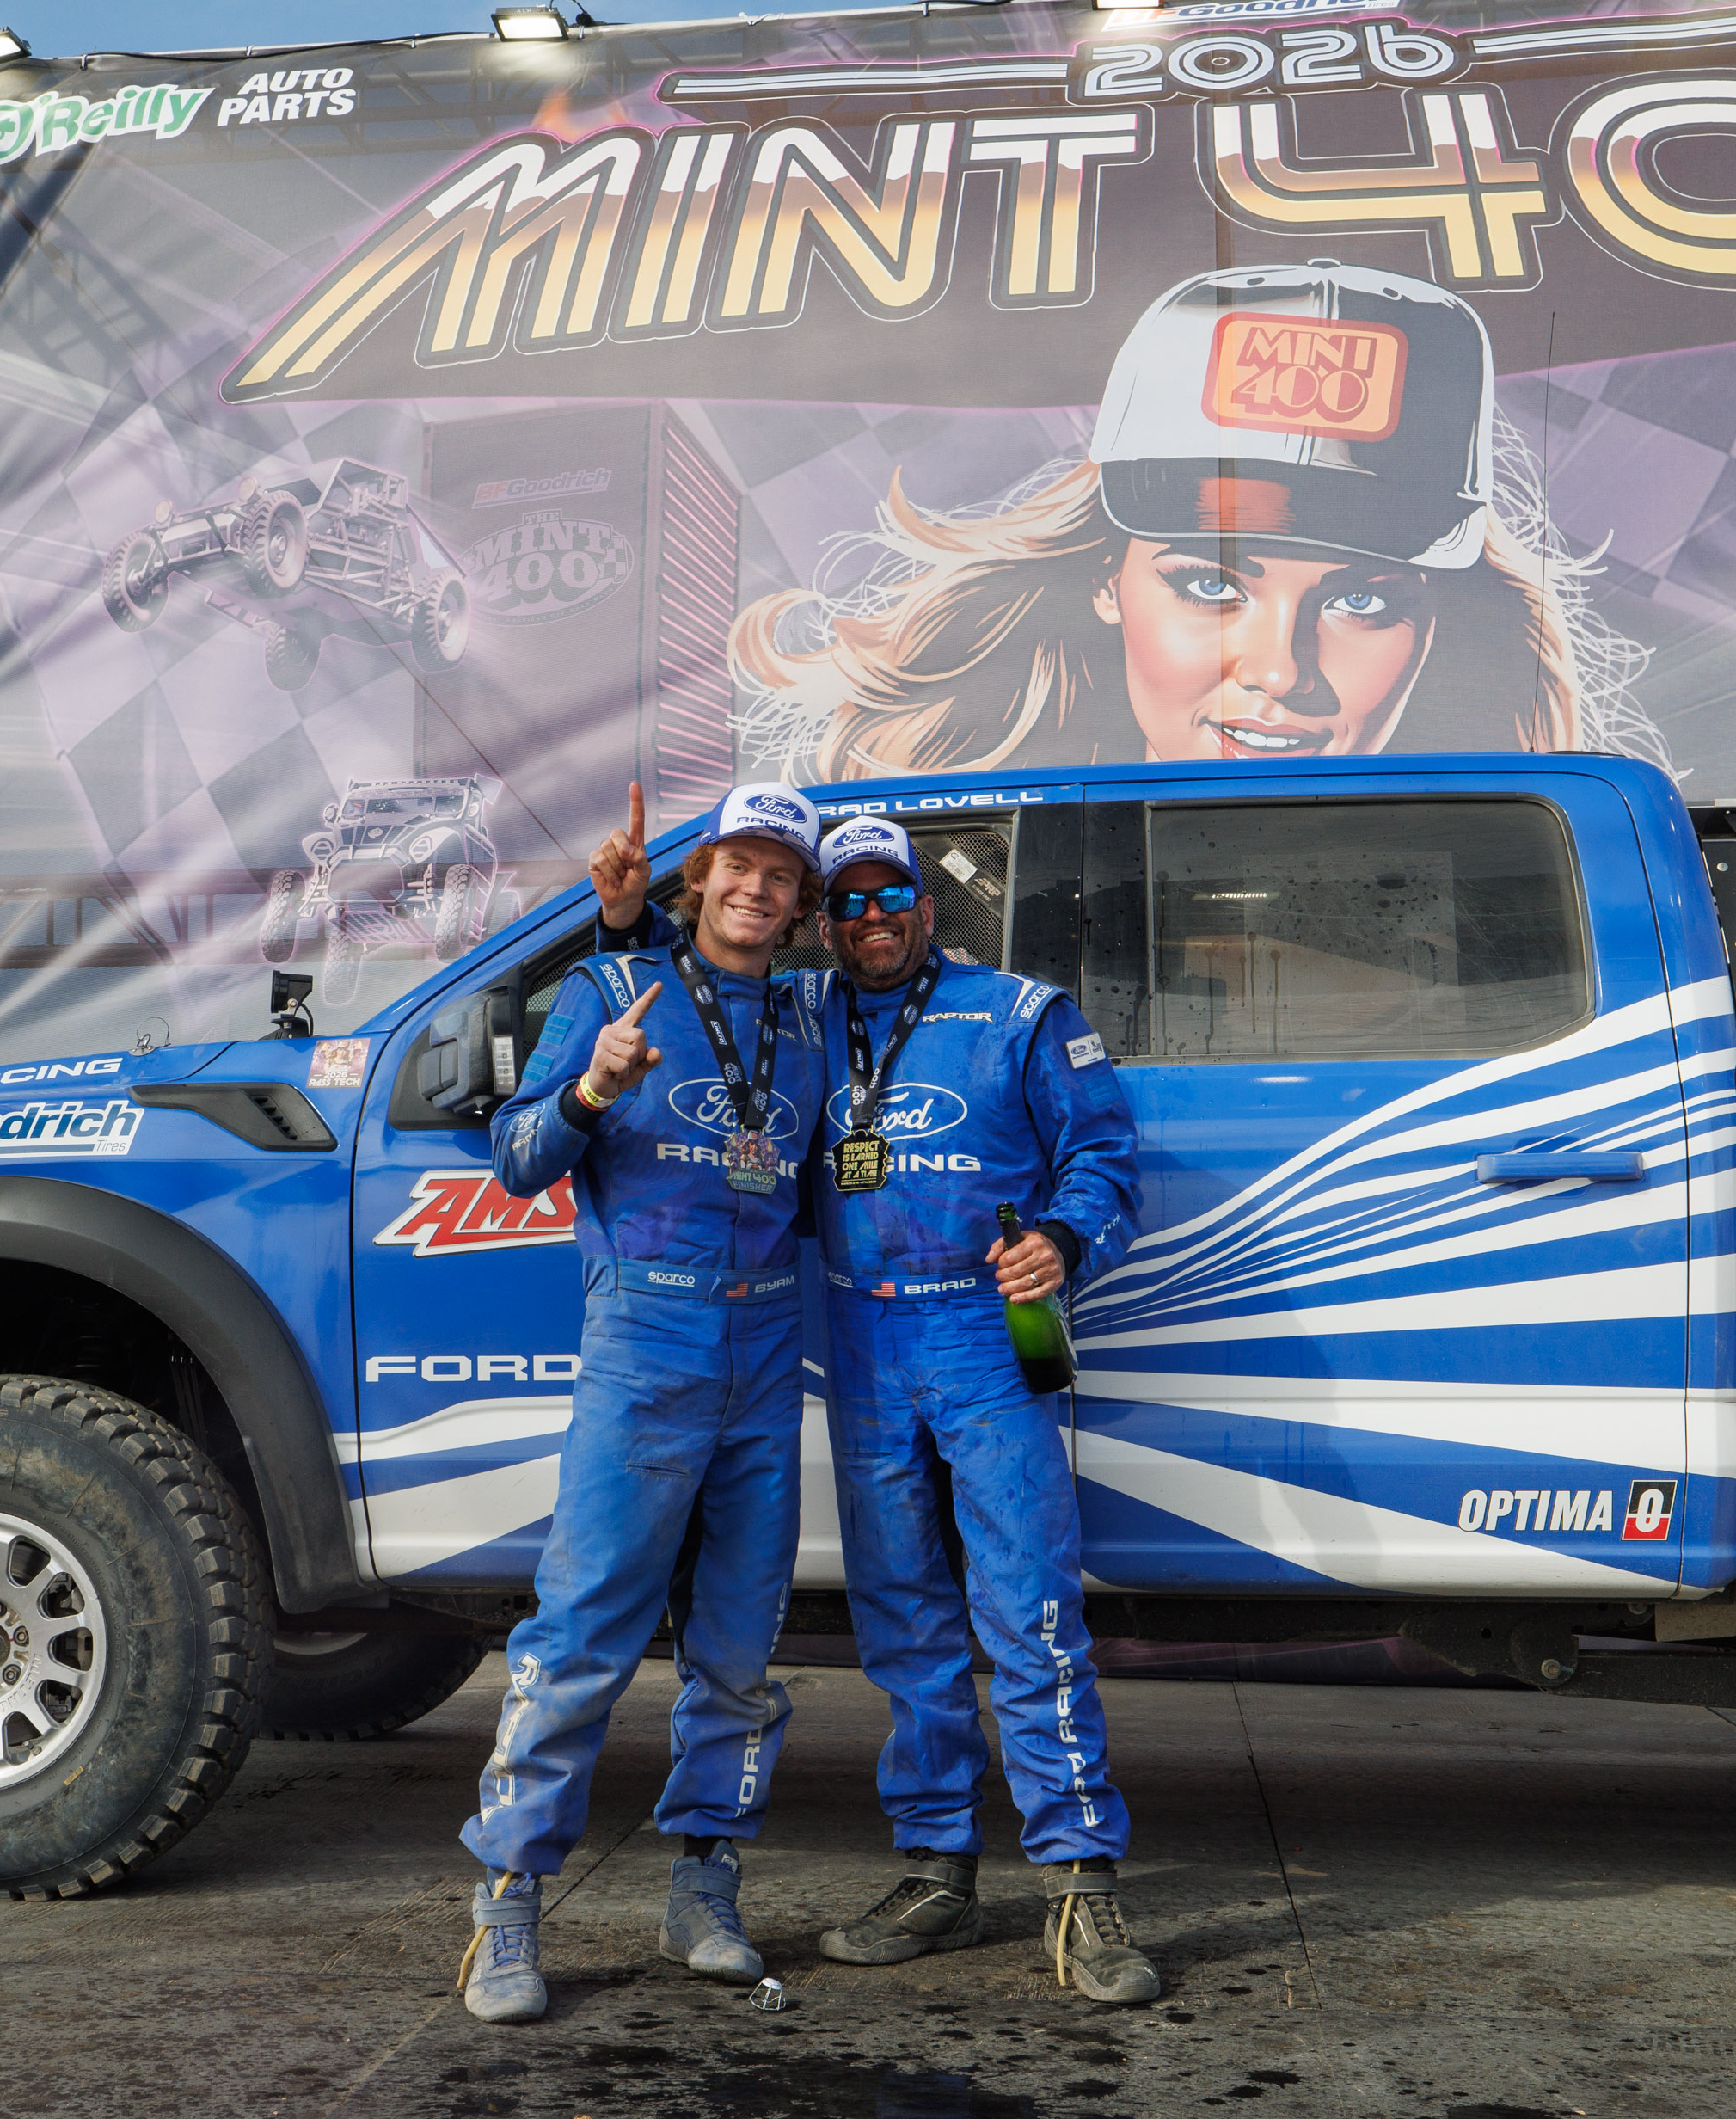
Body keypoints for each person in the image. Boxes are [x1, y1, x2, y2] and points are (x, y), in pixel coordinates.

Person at [733, 261, 1663, 779]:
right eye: (1213, 582)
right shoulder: (935, 863)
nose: (1277, 670)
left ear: (1438, 626)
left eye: (1365, 601)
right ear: (1106, 577)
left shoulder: (1538, 886)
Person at [454, 780, 829, 2025]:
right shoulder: (609, 996)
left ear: (798, 902)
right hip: (646, 1336)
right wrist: (590, 1089)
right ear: (700, 876)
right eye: (737, 864)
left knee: (737, 1649)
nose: (756, 888)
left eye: (781, 873)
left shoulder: (811, 1019)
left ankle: (705, 1889)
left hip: (768, 1346)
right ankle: (508, 1902)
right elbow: (516, 1164)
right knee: (582, 1640)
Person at [797, 815, 1155, 2003]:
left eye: (888, 897)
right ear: (823, 920)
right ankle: (937, 1873)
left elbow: (1105, 1158)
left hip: (982, 1332)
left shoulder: (1019, 1014)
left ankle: (1082, 1885)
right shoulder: (801, 1022)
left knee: (1028, 1604)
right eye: (844, 905)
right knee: (902, 1616)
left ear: (926, 903)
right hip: (858, 1330)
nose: (870, 922)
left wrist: (1059, 1239)